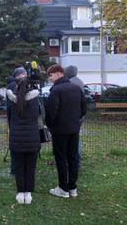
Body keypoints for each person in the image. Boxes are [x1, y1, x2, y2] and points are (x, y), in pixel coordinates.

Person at [45, 64, 87, 198]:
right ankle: (72, 188)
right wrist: (76, 121)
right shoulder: (77, 88)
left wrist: (50, 126)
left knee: (61, 158)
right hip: (74, 129)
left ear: (58, 73)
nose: (50, 79)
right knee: (73, 157)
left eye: (50, 75)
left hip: (59, 130)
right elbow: (84, 109)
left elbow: (51, 112)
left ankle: (63, 188)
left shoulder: (56, 90)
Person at [6, 77, 40, 204]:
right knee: (31, 167)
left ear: (17, 87)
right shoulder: (35, 99)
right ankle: (28, 194)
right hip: (32, 138)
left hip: (16, 138)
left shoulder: (11, 99)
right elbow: (39, 114)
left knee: (19, 166)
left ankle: (20, 193)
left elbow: (9, 117)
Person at [6, 67, 28, 175]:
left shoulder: (18, 84)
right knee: (16, 145)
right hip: (16, 119)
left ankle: (18, 168)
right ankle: (15, 168)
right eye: (23, 74)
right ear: (17, 76)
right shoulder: (14, 86)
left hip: (18, 119)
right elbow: (12, 105)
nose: (25, 75)